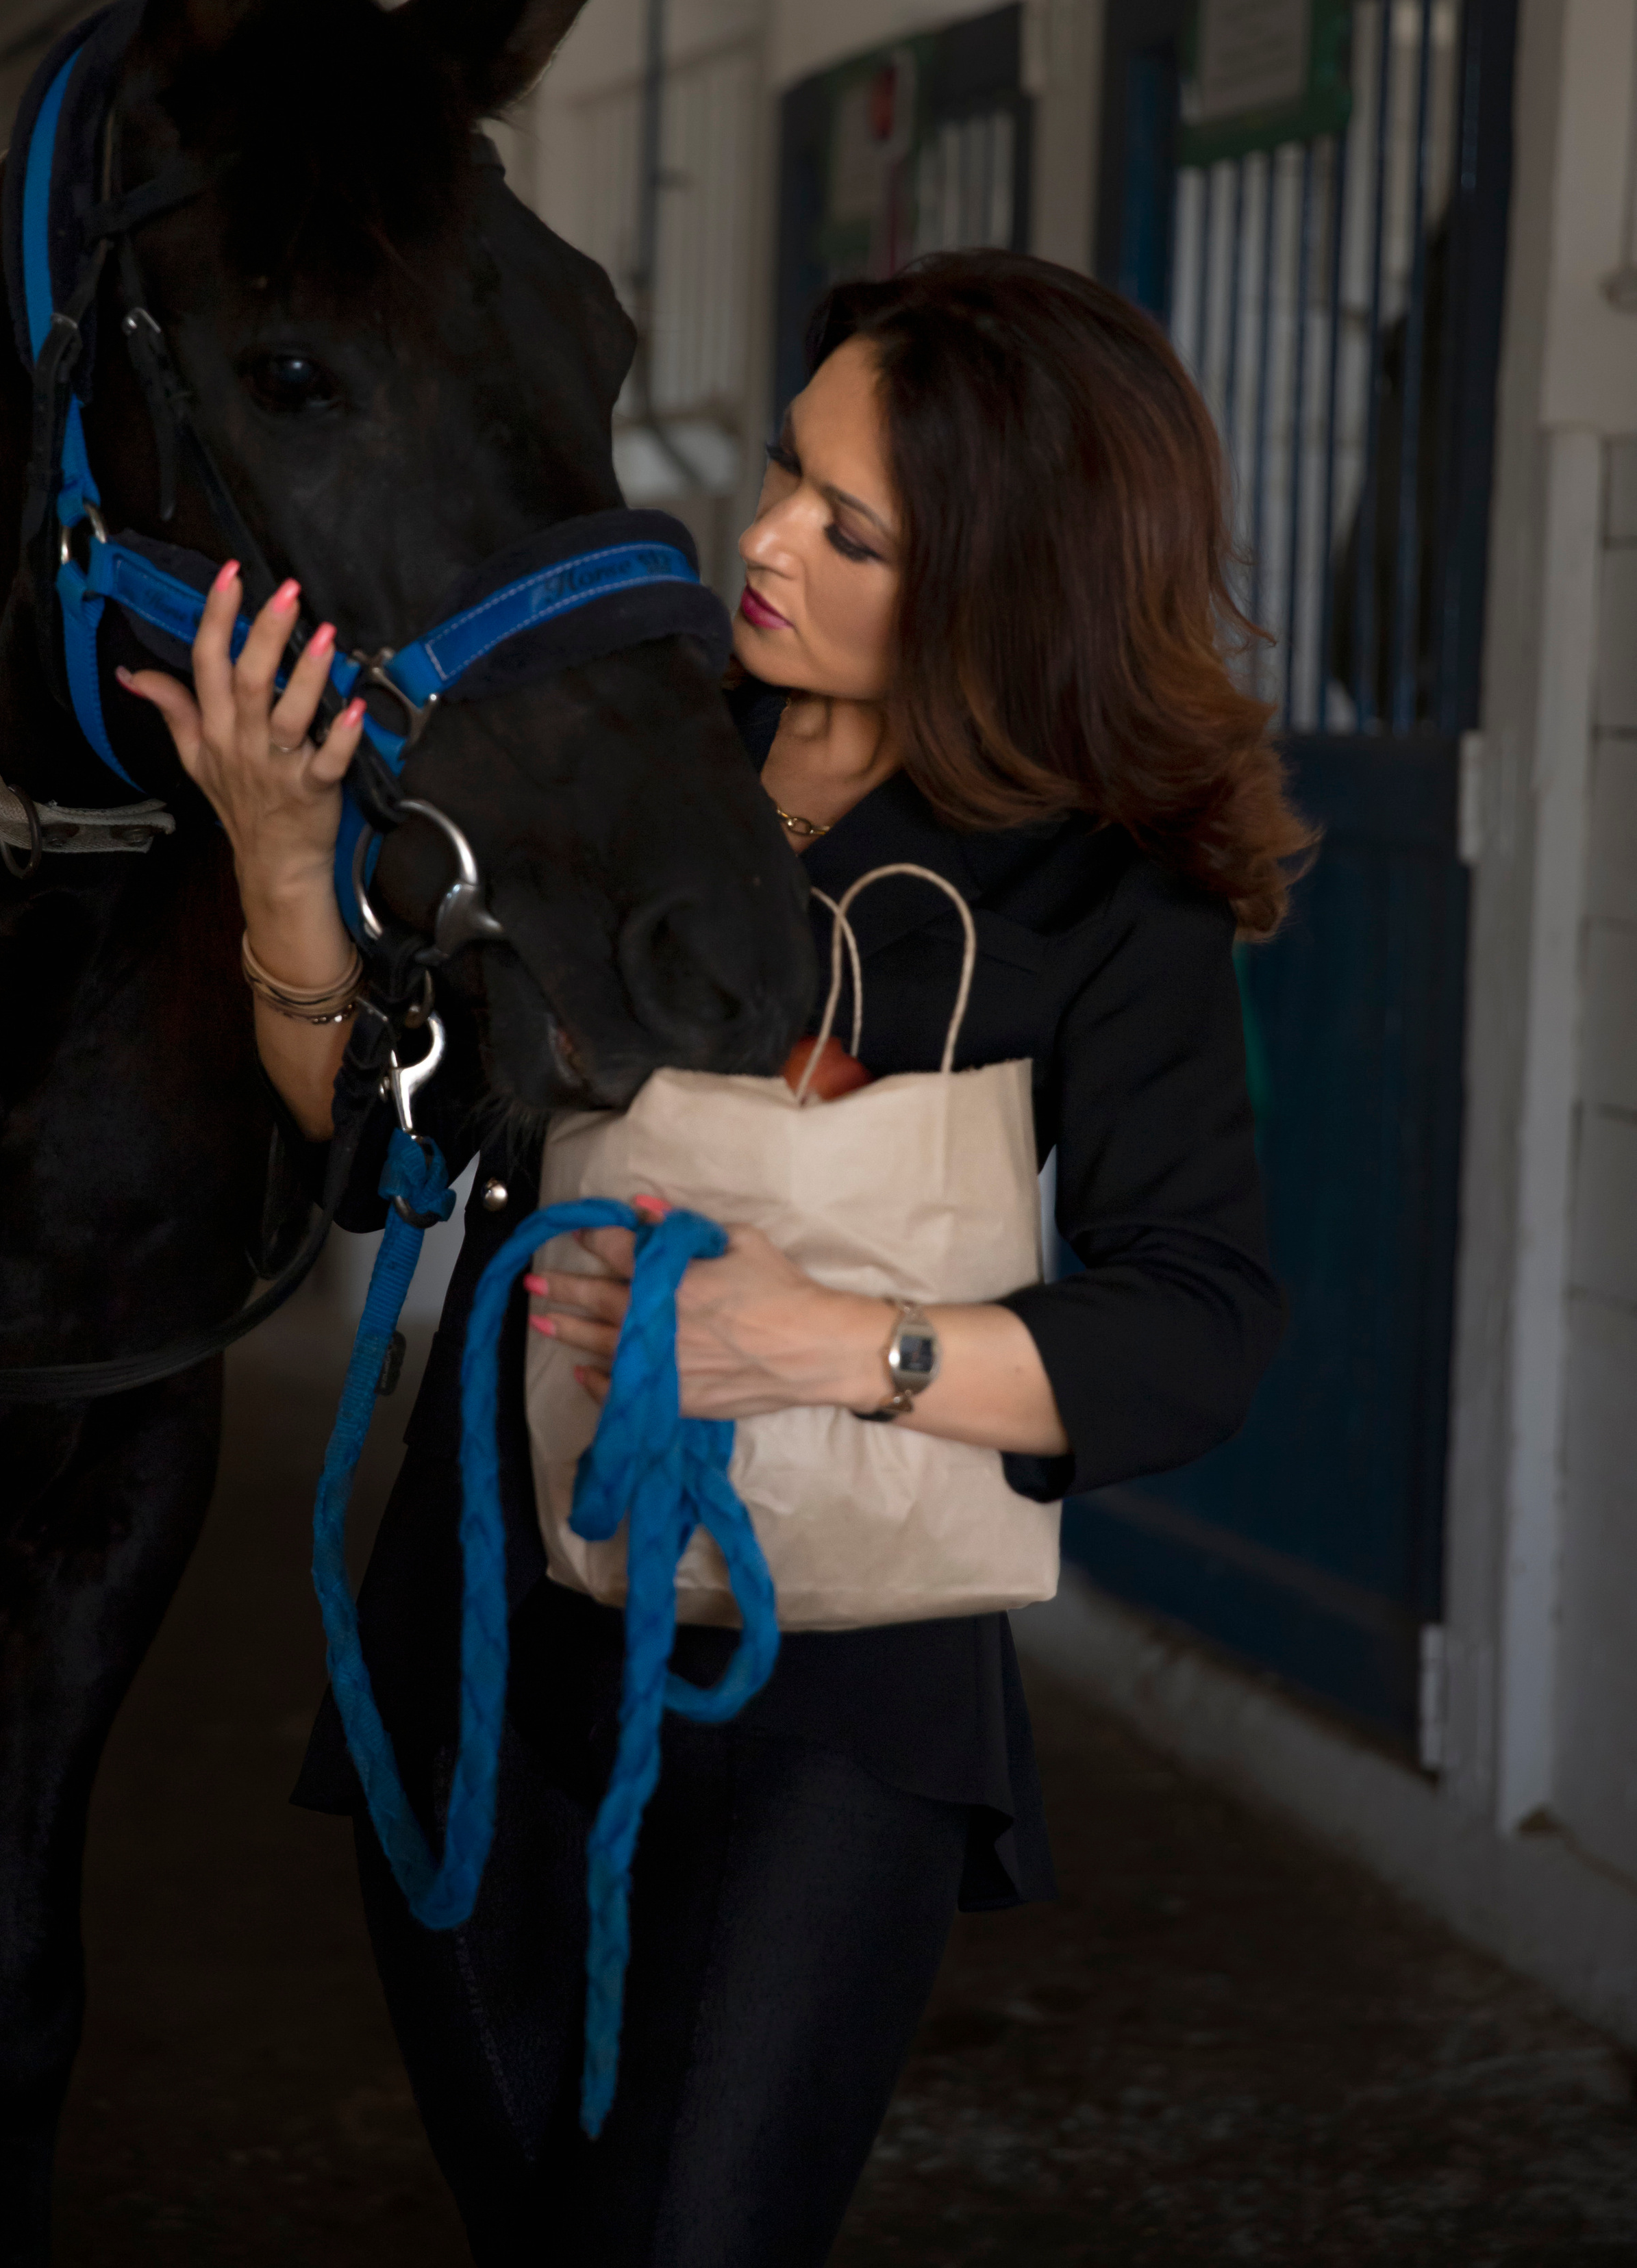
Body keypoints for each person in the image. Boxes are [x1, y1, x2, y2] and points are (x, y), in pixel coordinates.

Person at [123, 249, 1300, 2267]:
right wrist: (281, 860)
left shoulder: (1101, 883)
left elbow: (1201, 1325)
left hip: (838, 1683)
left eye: (853, 532)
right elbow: (388, 1141)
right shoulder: (610, 743)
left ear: (1007, 582)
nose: (762, 540)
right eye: (782, 471)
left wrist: (842, 1346)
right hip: (486, 1618)